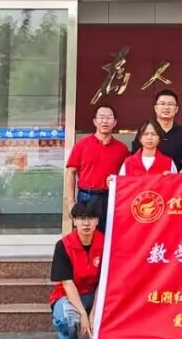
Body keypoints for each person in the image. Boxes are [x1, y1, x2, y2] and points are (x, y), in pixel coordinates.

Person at [49, 201, 105, 339]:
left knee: (111, 314)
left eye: (91, 218)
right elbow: (67, 284)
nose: (86, 223)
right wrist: (83, 313)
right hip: (67, 295)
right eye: (81, 218)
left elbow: (103, 282)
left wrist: (94, 312)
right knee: (68, 320)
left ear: (97, 221)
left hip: (94, 294)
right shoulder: (63, 245)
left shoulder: (105, 243)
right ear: (74, 221)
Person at [65, 104, 128, 224]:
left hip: (111, 197)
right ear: (94, 121)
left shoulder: (122, 149)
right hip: (86, 196)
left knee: (109, 232)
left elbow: (126, 177)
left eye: (109, 118)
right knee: (87, 231)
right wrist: (71, 202)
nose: (105, 121)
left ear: (115, 122)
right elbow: (71, 172)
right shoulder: (81, 145)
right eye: (101, 117)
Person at [131, 89, 182, 171]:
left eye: (170, 104)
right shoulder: (145, 131)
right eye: (162, 103)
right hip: (149, 177)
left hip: (175, 177)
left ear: (176, 109)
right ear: (155, 108)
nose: (166, 107)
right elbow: (134, 157)